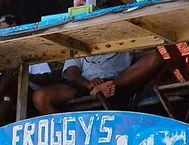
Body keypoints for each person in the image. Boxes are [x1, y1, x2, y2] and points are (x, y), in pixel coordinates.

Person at [33, 49, 163, 115]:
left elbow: (152, 55)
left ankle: (106, 87)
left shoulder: (124, 38)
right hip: (83, 84)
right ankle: (70, 137)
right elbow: (71, 71)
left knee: (157, 56)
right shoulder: (80, 44)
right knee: (40, 97)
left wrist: (112, 84)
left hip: (118, 82)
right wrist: (87, 84)